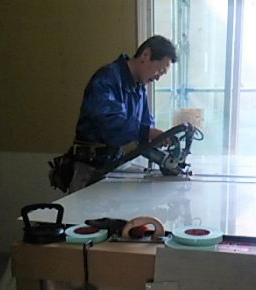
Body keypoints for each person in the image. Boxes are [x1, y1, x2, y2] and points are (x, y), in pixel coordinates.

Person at [69, 35, 178, 192]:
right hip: (89, 168)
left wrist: (157, 140)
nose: (158, 78)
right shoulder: (106, 79)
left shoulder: (139, 88)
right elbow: (110, 124)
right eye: (160, 71)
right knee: (84, 208)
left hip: (113, 166)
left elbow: (146, 125)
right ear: (146, 55)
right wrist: (147, 132)